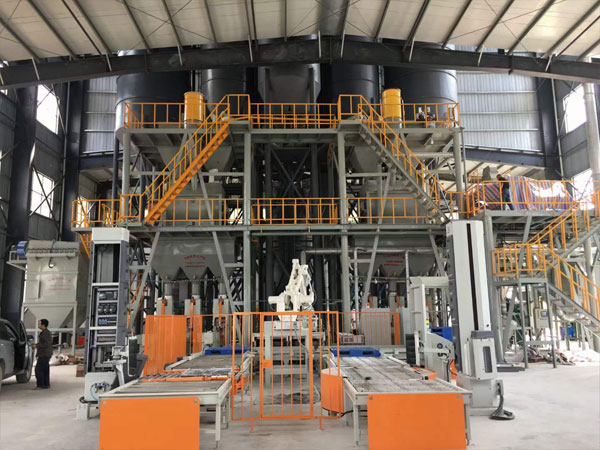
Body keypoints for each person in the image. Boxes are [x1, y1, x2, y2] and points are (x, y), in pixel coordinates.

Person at [33, 319, 52, 389]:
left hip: (44, 354)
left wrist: (37, 345)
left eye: (39, 324)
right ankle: (46, 384)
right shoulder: (44, 332)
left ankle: (40, 385)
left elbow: (47, 343)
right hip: (44, 353)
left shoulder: (46, 333)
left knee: (39, 369)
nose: (38, 325)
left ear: (43, 325)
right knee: (45, 369)